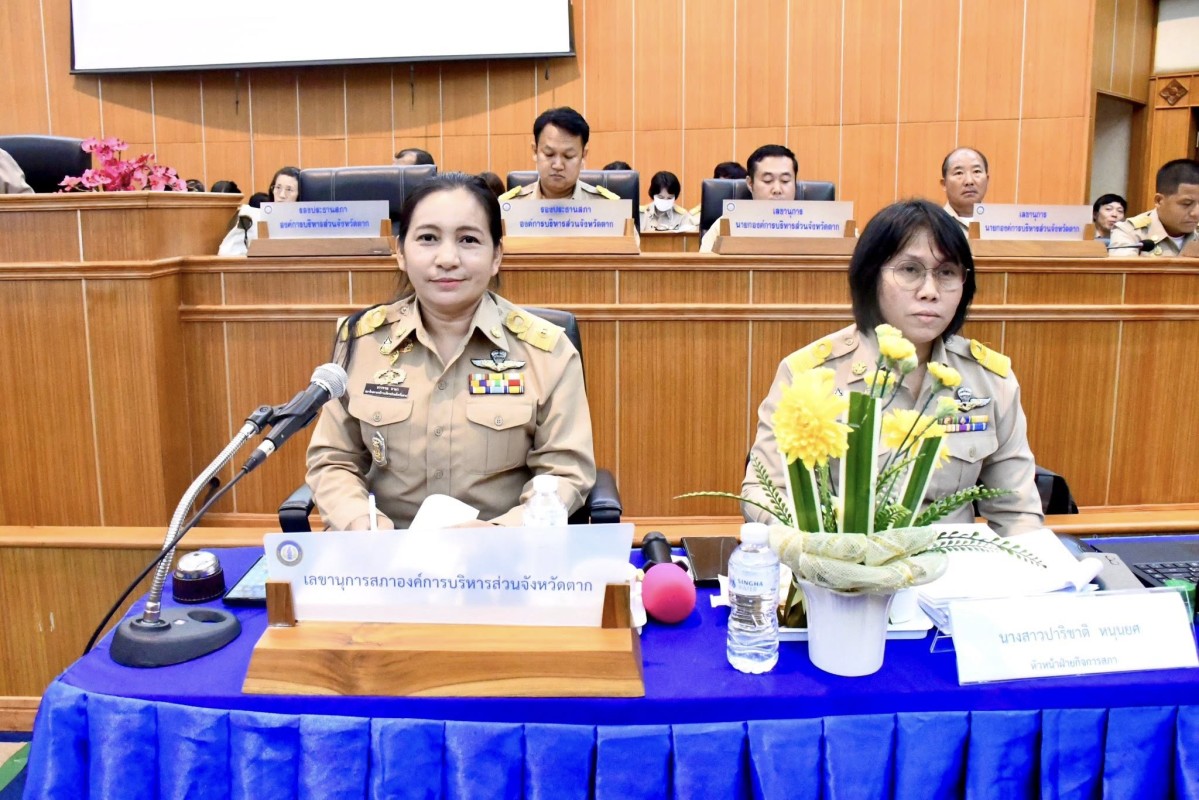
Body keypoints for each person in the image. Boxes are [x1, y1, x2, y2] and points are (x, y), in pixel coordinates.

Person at [306, 172, 597, 530]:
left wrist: (501, 534)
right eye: (428, 238)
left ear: (496, 257)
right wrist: (358, 522)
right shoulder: (362, 343)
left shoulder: (546, 352)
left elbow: (565, 472)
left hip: (503, 562)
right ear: (400, 252)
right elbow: (334, 459)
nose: (447, 258)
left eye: (468, 239)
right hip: (383, 559)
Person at [742, 199, 1043, 537]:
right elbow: (765, 492)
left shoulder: (988, 380)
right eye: (910, 270)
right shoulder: (811, 376)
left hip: (950, 574)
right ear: (871, 276)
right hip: (843, 574)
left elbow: (1017, 513)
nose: (930, 292)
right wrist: (819, 550)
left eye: (946, 273)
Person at [498, 106, 621, 202]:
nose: (558, 165)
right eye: (549, 154)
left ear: (583, 155)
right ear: (535, 151)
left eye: (568, 156)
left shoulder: (607, 208)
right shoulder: (510, 207)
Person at [700, 144, 798, 252]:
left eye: (785, 180)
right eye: (767, 180)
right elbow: (704, 265)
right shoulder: (727, 224)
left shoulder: (814, 224)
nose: (777, 189)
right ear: (750, 184)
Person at [1109, 159, 1199, 257]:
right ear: (1159, 200)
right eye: (1186, 204)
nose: (1196, 213)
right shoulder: (1129, 232)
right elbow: (1125, 270)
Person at [217, 166, 300, 256]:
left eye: (289, 189)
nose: (282, 195)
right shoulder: (253, 217)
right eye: (278, 187)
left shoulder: (308, 222)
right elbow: (226, 253)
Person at [940, 147, 989, 230]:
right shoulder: (933, 224)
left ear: (987, 180)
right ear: (944, 184)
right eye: (959, 173)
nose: (969, 181)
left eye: (976, 171)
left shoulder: (1002, 225)